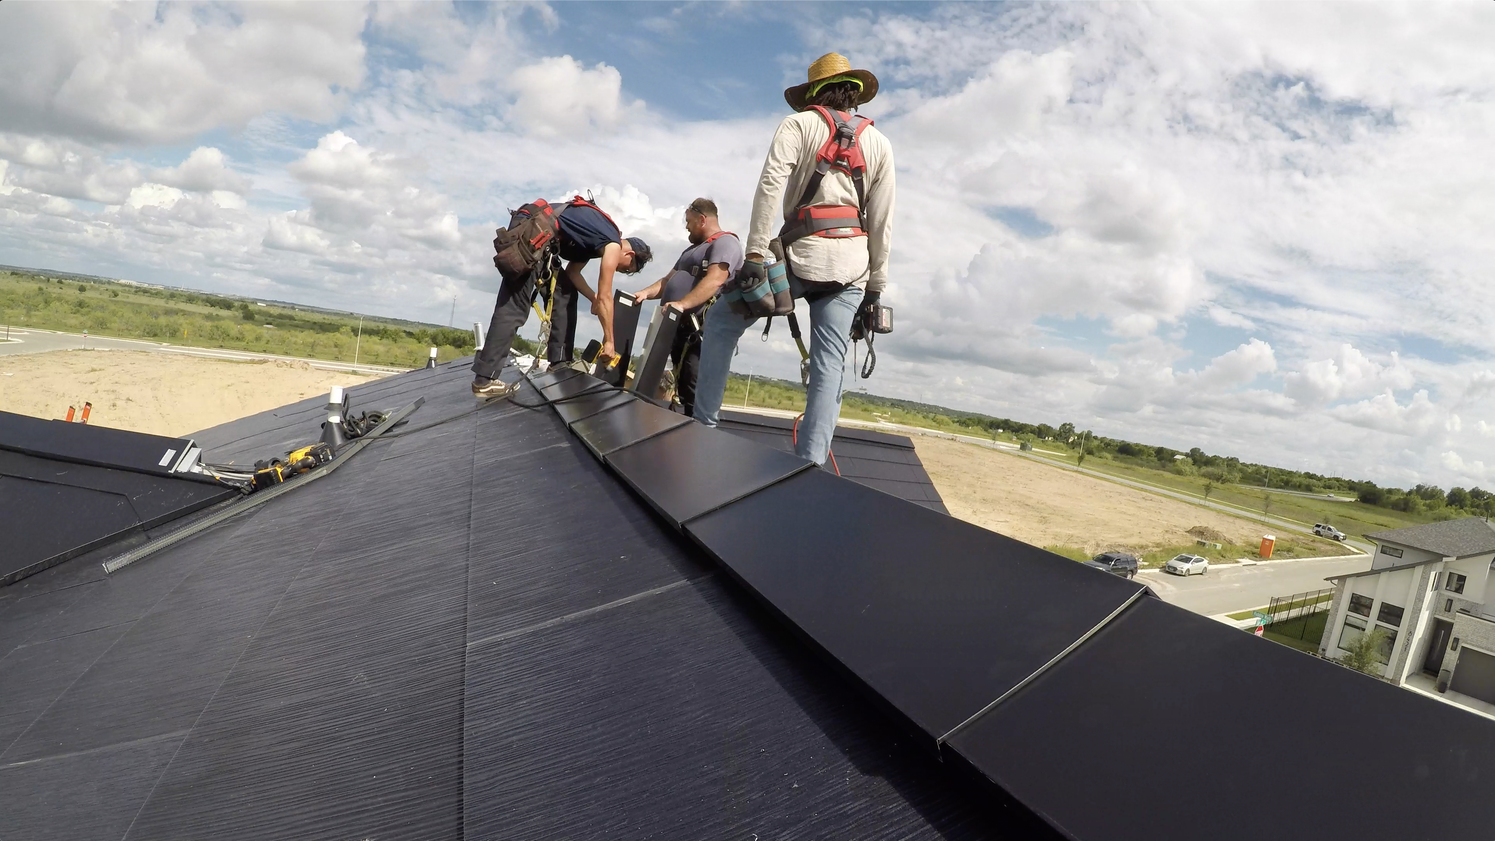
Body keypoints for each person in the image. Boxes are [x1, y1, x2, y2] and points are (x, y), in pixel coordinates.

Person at [693, 53, 895, 464]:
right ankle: (811, 467)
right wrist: (875, 287)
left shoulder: (798, 125)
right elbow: (883, 220)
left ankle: (704, 430)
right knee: (829, 366)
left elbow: (770, 185)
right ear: (853, 96)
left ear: (812, 94)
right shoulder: (880, 143)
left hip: (799, 257)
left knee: (721, 321)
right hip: (852, 268)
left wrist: (753, 253)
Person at [472, 196, 653, 398]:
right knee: (514, 308)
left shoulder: (594, 239)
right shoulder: (612, 243)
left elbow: (573, 274)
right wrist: (610, 342)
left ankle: (559, 363)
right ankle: (484, 379)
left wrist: (592, 297)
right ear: (629, 255)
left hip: (537, 232)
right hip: (535, 234)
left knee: (564, 292)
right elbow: (606, 296)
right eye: (625, 269)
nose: (619, 270)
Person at [633, 198, 743, 416]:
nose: (686, 226)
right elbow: (667, 282)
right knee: (683, 386)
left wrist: (682, 304)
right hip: (680, 330)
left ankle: (699, 437)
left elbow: (715, 280)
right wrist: (644, 293)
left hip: (701, 332)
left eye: (689, 221)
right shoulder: (691, 251)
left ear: (702, 220)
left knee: (695, 387)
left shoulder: (725, 243)